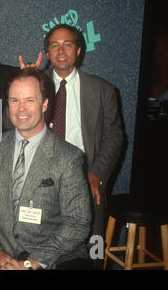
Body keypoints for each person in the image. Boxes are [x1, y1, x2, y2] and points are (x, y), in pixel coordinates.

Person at [0, 67, 93, 270]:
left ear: (45, 104)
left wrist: (31, 263)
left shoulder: (69, 157)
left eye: (30, 100)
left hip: (54, 258)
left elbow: (77, 222)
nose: (21, 108)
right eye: (15, 100)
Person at [39, 24, 124, 253]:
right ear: (47, 53)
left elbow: (114, 137)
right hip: (39, 182)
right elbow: (10, 125)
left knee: (85, 252)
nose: (61, 51)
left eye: (68, 44)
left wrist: (97, 173)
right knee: (37, 250)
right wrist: (26, 80)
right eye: (54, 46)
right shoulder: (34, 85)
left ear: (78, 50)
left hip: (84, 179)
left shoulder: (103, 90)